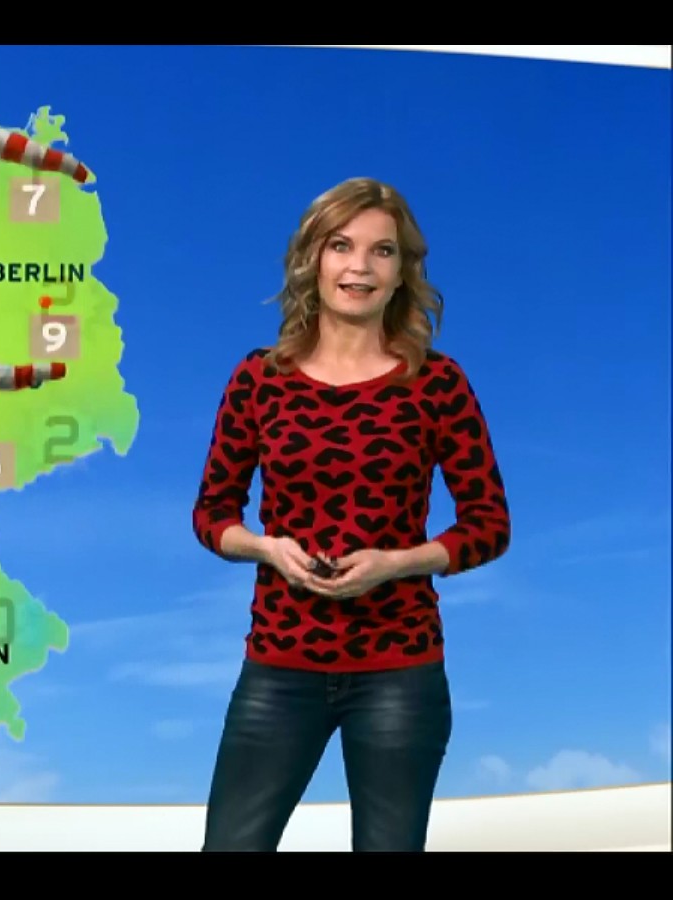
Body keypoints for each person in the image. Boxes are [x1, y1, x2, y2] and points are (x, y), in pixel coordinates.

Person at [191, 177, 511, 852]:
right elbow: (212, 514)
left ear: (402, 271)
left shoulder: (437, 384)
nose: (360, 266)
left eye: (381, 251)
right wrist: (268, 548)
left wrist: (398, 563)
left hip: (401, 667)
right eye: (341, 246)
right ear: (312, 259)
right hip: (279, 664)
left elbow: (488, 524)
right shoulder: (259, 380)